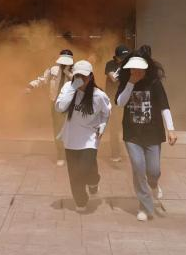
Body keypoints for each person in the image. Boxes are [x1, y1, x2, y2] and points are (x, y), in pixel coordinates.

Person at [116, 46, 178, 222]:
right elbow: (120, 103)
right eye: (133, 69)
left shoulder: (154, 83)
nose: (136, 71)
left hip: (152, 134)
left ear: (146, 68)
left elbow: (164, 106)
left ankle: (154, 184)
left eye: (140, 69)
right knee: (138, 168)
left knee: (153, 171)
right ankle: (145, 206)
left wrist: (171, 129)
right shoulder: (126, 82)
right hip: (132, 134)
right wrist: (130, 83)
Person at [55, 60, 111, 212]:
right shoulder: (68, 88)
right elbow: (60, 107)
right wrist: (73, 87)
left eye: (84, 77)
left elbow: (106, 113)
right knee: (75, 174)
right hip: (71, 138)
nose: (81, 80)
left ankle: (94, 181)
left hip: (90, 139)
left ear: (91, 76)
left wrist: (102, 126)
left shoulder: (99, 95)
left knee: (86, 170)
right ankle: (80, 201)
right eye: (77, 76)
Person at [27, 49, 74, 166]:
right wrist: (31, 86)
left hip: (70, 104)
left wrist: (68, 72)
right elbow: (43, 79)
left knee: (71, 129)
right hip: (55, 103)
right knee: (58, 129)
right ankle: (60, 155)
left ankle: (71, 154)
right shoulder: (53, 70)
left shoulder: (76, 71)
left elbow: (79, 83)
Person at [104, 44, 131, 162]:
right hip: (113, 101)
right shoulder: (110, 64)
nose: (125, 59)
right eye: (123, 57)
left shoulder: (129, 64)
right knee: (114, 127)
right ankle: (115, 153)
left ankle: (131, 152)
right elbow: (113, 79)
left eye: (126, 57)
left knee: (128, 125)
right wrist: (124, 71)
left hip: (127, 99)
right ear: (117, 57)